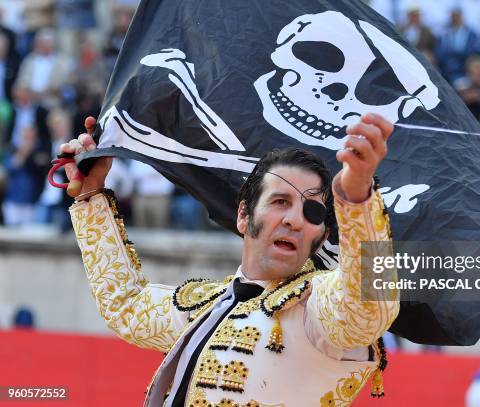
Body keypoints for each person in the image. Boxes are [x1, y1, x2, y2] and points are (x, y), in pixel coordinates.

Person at [60, 113, 399, 406]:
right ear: (243, 216)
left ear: (322, 236)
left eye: (312, 210)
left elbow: (370, 306)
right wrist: (91, 193)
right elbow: (126, 305)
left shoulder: (315, 308)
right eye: (280, 201)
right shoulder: (207, 305)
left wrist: (356, 197)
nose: (295, 219)